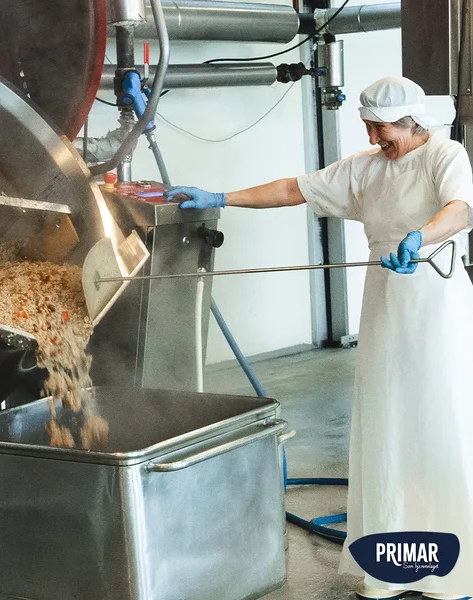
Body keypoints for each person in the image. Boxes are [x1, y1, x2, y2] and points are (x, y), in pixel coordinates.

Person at [164, 77, 473, 600]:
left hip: (436, 300)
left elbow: (460, 209)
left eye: (381, 127)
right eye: (368, 126)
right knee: (387, 419)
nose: (375, 137)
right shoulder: (365, 168)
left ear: (412, 122)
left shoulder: (445, 154)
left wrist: (421, 236)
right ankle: (392, 562)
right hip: (385, 300)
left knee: (439, 417)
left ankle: (454, 564)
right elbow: (294, 188)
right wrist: (222, 196)